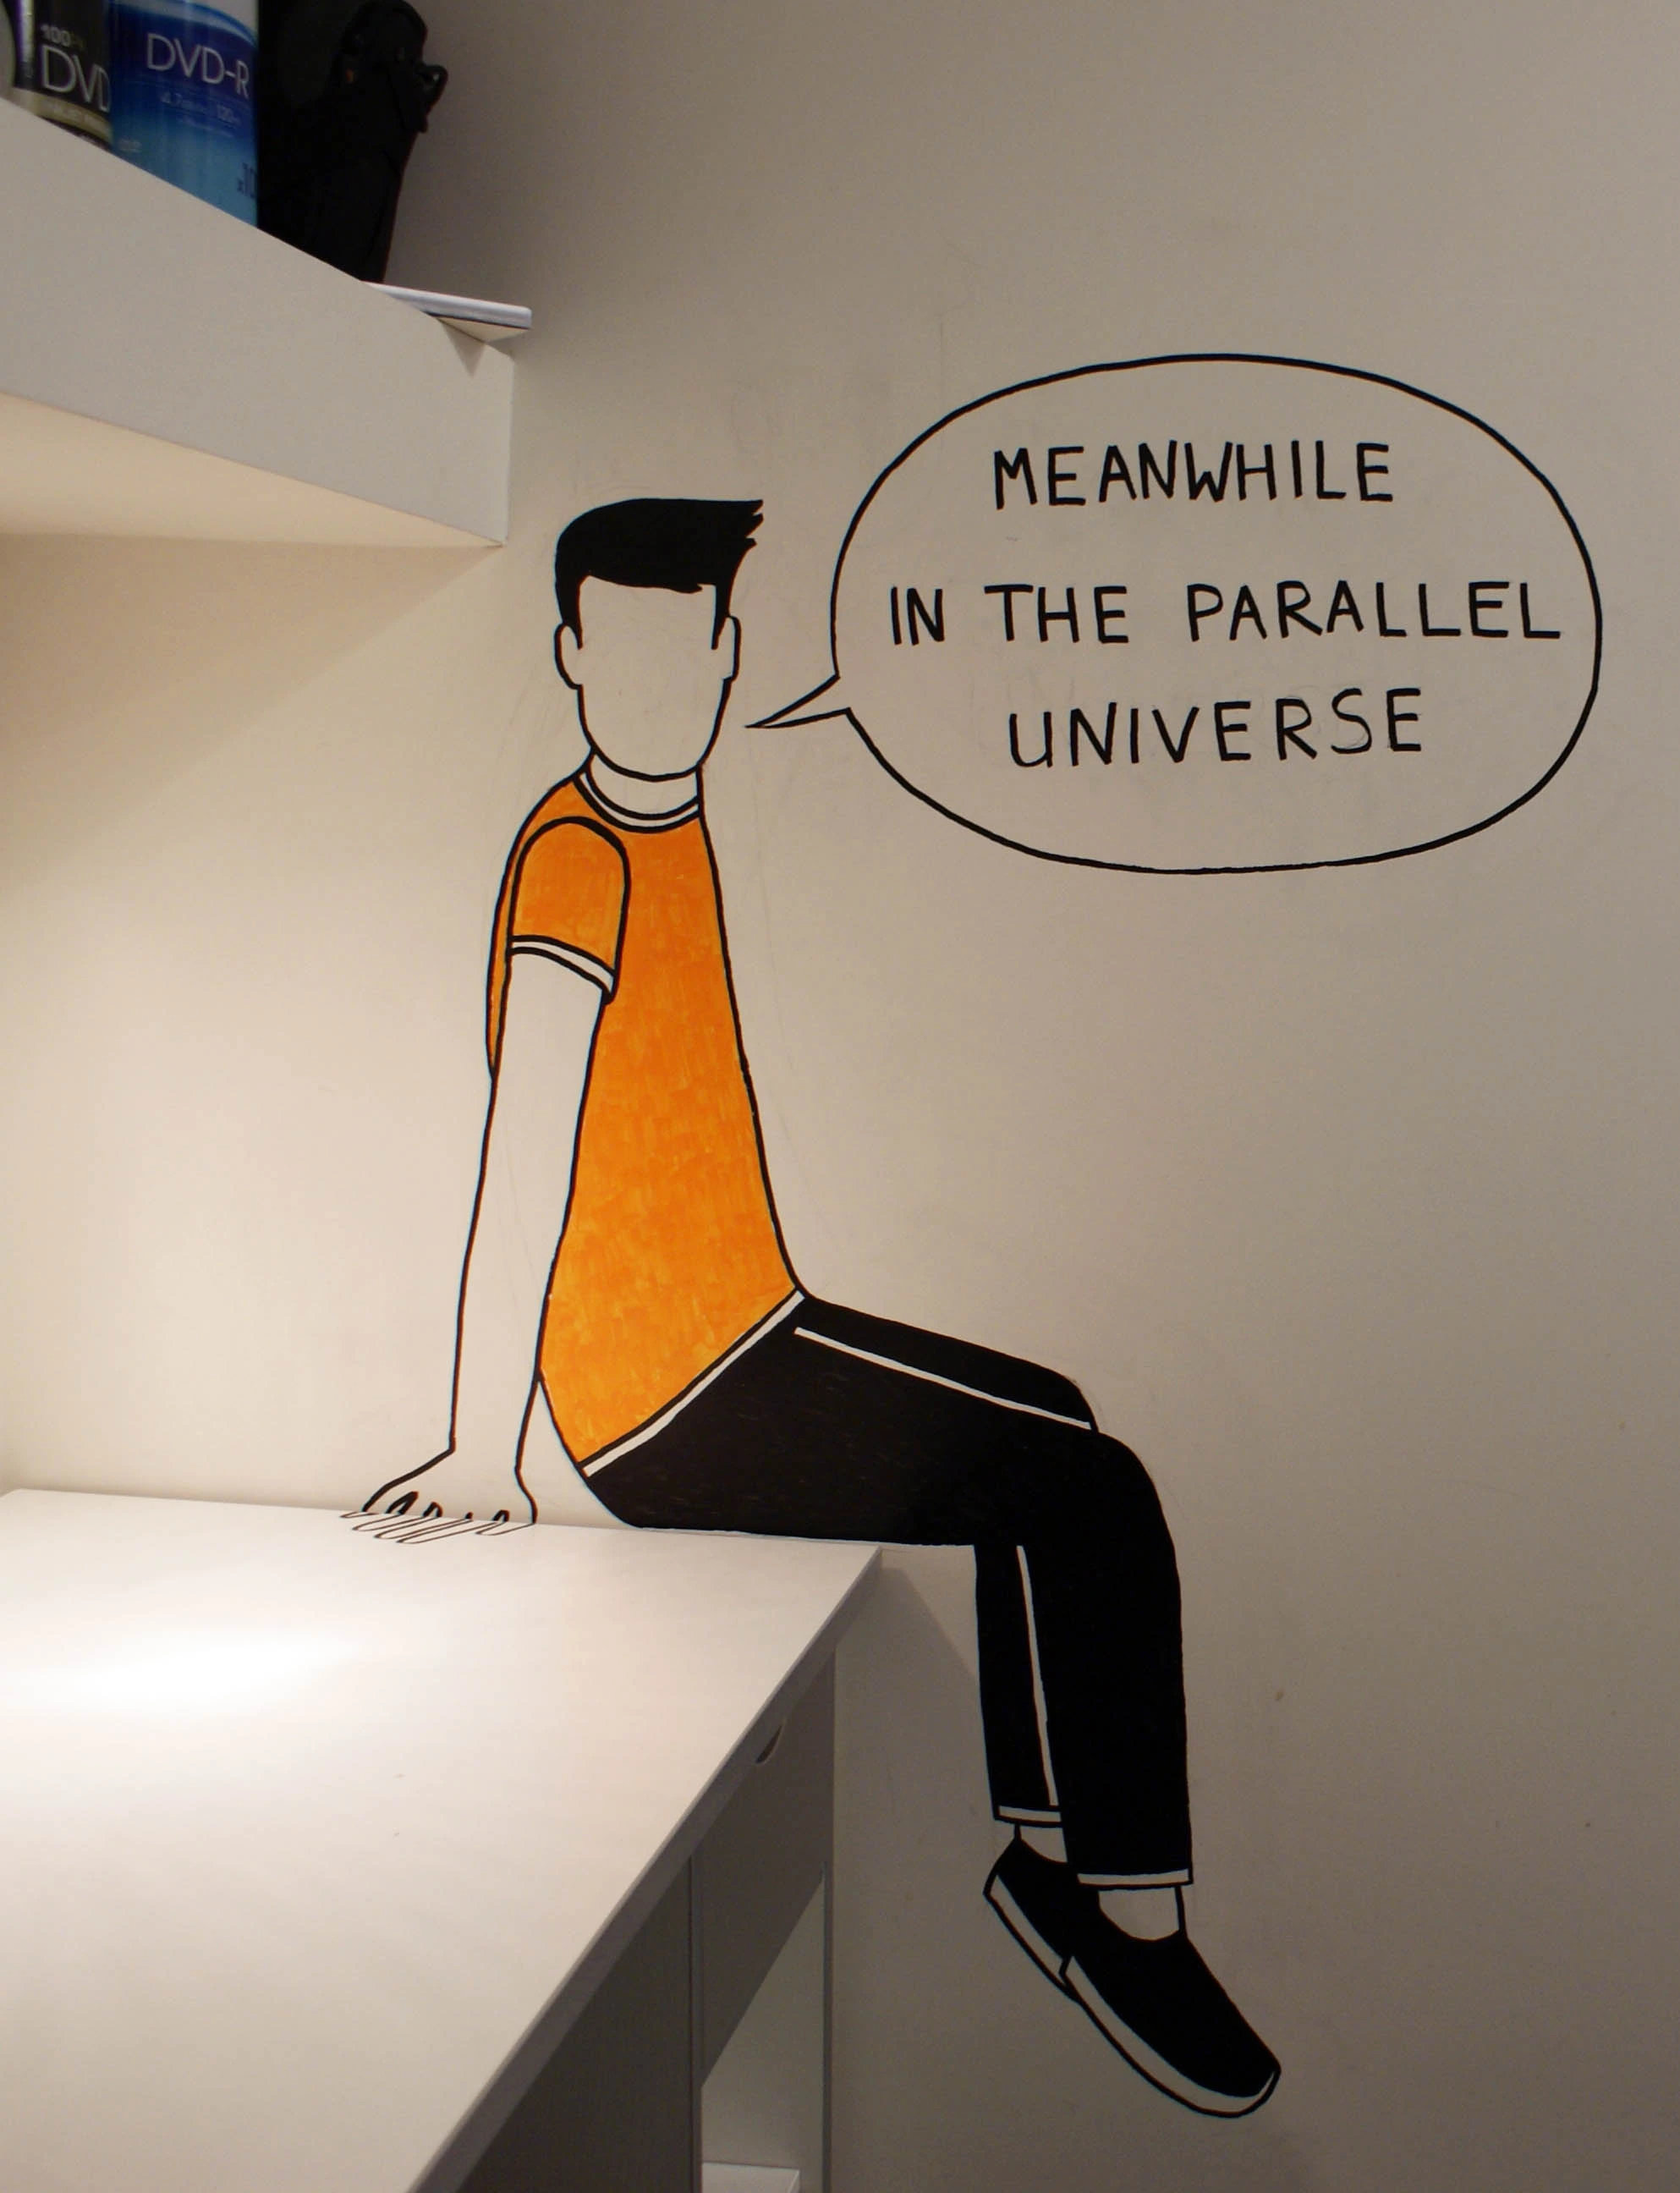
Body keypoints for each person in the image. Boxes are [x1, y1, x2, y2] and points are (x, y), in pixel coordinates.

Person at [360, 497, 1278, 2118]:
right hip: (666, 1400)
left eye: (687, 653)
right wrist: (480, 1446)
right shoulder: (579, 859)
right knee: (1097, 1490)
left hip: (747, 1327)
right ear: (570, 657)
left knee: (1053, 1417)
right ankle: (1131, 1924)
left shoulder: (670, 820)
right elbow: (526, 1152)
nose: (659, 690)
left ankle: (1049, 1852)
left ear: (728, 660)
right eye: (621, 653)